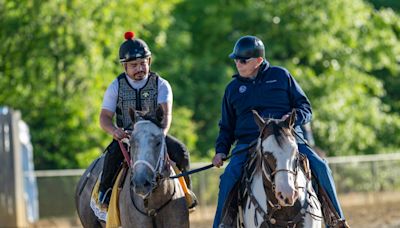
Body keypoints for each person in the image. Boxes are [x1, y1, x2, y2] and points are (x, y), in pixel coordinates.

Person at [212, 35, 348, 227]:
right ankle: (221, 224)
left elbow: (306, 109)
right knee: (229, 176)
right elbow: (226, 126)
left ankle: (336, 219)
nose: (238, 63)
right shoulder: (232, 89)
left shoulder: (282, 76)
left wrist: (292, 120)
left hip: (288, 139)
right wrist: (220, 151)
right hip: (249, 143)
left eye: (243, 60)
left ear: (259, 61)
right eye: (236, 59)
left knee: (320, 166)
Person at [98, 31, 196, 209]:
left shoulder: (161, 84)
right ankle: (104, 194)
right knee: (111, 158)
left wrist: (160, 135)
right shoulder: (115, 87)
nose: (139, 68)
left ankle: (186, 193)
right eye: (134, 65)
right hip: (127, 137)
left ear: (149, 62)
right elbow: (104, 118)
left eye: (142, 63)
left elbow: (166, 116)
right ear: (124, 67)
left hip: (155, 136)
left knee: (181, 151)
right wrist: (114, 132)